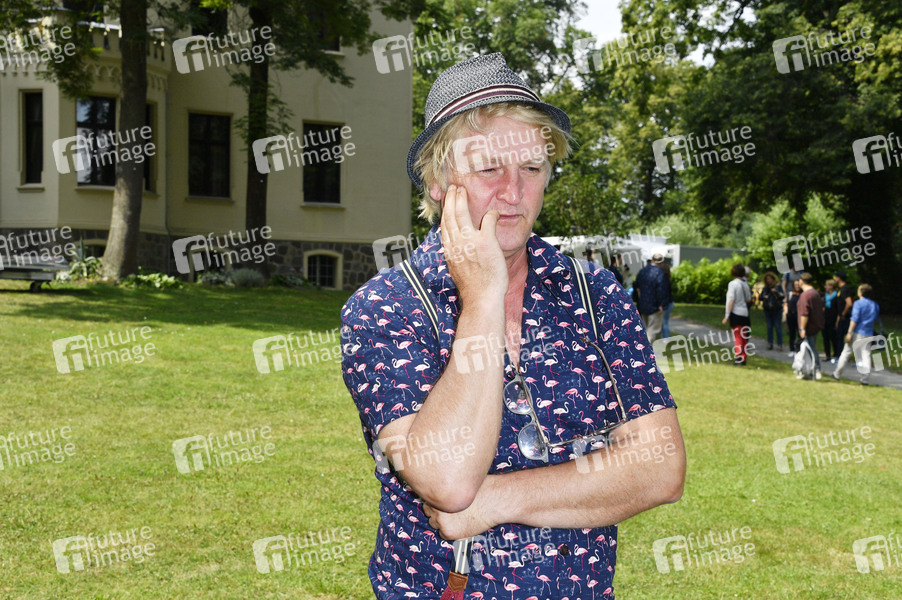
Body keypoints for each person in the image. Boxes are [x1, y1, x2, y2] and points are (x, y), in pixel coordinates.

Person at [340, 53, 685, 599]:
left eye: (531, 168)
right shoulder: (386, 308)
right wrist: (482, 299)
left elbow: (661, 468)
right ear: (438, 180)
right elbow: (449, 483)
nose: (513, 191)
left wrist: (497, 500)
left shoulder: (595, 295)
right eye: (488, 168)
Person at [833, 284, 880, 385]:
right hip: (869, 332)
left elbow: (854, 319)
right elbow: (876, 319)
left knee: (846, 352)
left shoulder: (858, 304)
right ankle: (865, 379)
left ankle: (837, 374)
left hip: (857, 332)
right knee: (866, 355)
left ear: (860, 292)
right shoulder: (875, 305)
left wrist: (849, 333)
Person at [634, 253, 669, 342]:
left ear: (652, 260)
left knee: (645, 329)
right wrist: (662, 304)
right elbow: (661, 290)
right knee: (652, 330)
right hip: (655, 305)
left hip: (643, 304)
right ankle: (647, 349)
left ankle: (642, 347)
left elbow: (636, 285)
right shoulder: (660, 273)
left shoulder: (643, 271)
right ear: (661, 262)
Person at [722, 263, 752, 365]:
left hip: (736, 312)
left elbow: (731, 300)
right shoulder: (745, 284)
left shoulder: (733, 284)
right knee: (744, 336)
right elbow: (748, 299)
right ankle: (744, 357)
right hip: (745, 313)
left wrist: (727, 315)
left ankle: (738, 357)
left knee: (737, 336)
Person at [797, 273, 825, 380]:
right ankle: (809, 371)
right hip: (816, 325)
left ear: (801, 281)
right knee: (809, 348)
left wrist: (802, 328)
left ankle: (817, 370)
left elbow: (805, 313)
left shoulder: (805, 295)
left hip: (809, 326)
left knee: (810, 348)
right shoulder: (815, 293)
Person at [758, 272, 784, 351]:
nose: (768, 281)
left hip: (777, 309)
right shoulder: (765, 288)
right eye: (767, 279)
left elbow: (782, 296)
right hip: (767, 309)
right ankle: (770, 343)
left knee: (777, 326)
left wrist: (776, 292)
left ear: (773, 279)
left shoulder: (778, 286)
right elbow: (760, 297)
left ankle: (780, 344)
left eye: (769, 279)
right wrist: (764, 297)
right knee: (769, 327)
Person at [833, 271, 854, 354]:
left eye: (835, 277)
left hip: (845, 318)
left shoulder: (845, 289)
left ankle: (840, 356)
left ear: (839, 278)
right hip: (841, 317)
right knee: (839, 337)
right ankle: (839, 355)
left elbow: (849, 303)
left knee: (841, 337)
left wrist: (843, 314)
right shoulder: (841, 289)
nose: (834, 278)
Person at [823, 279, 839, 363]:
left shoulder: (837, 295)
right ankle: (827, 355)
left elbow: (838, 309)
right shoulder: (825, 295)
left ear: (831, 286)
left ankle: (836, 354)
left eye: (827, 285)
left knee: (833, 337)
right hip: (825, 318)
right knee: (825, 338)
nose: (825, 287)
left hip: (833, 319)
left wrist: (837, 321)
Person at [785, 279, 801, 353]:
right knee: (792, 334)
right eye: (796, 285)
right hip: (791, 316)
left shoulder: (802, 294)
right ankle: (792, 349)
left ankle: (799, 349)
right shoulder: (790, 294)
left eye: (798, 285)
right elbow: (786, 304)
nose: (797, 286)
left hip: (799, 316)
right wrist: (786, 313)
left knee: (800, 334)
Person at [660, 260, 674, 339]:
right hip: (670, 303)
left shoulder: (663, 280)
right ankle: (664, 337)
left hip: (666, 303)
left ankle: (665, 338)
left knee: (664, 322)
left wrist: (662, 305)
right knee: (664, 321)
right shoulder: (667, 278)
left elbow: (664, 294)